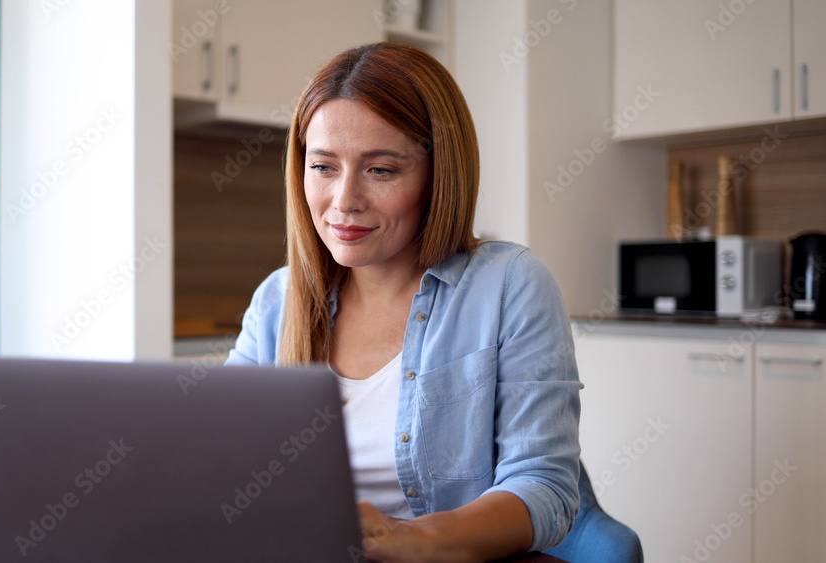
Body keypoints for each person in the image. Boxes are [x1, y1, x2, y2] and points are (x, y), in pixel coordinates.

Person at [224, 42, 581, 562]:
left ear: (439, 177)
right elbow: (221, 459)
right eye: (323, 167)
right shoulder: (278, 300)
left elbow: (545, 488)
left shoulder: (509, 285)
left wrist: (412, 539)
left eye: (381, 170)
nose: (344, 201)